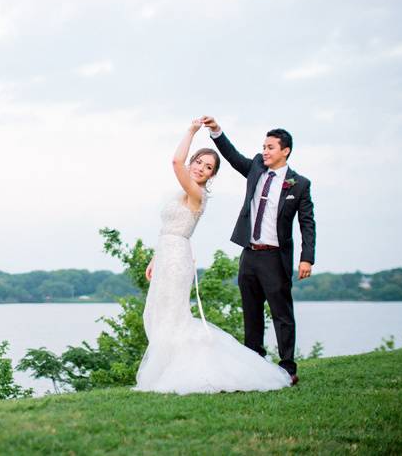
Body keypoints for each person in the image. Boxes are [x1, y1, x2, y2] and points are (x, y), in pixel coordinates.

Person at [132, 118, 292, 394]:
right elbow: (169, 229)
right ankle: (166, 369)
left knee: (173, 316)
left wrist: (192, 131)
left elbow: (174, 163)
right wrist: (155, 258)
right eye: (199, 163)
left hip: (178, 259)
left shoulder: (196, 194)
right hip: (167, 254)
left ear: (210, 176)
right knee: (159, 313)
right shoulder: (181, 192)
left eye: (208, 168)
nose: (200, 169)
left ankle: (183, 371)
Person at [202, 116, 315, 385]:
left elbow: (307, 223)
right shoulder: (255, 168)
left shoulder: (299, 184)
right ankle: (253, 363)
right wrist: (216, 132)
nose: (265, 151)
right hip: (250, 254)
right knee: (251, 313)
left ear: (285, 151)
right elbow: (231, 156)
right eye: (263, 146)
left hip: (276, 257)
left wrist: (306, 258)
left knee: (282, 315)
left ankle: (288, 367)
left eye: (270, 147)